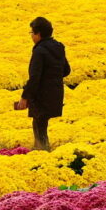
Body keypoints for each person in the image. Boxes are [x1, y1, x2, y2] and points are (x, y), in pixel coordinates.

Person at [15, 16, 69, 151]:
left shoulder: (39, 51)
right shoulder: (58, 47)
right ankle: (42, 149)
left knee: (39, 124)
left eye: (32, 33)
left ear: (38, 34)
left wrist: (25, 97)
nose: (31, 36)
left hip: (41, 94)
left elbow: (34, 78)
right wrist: (53, 78)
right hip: (56, 92)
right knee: (42, 123)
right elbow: (66, 70)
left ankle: (42, 152)